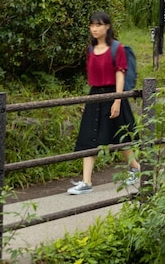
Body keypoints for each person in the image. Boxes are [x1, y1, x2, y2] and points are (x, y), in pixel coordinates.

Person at [68, 12, 141, 195]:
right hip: (95, 96)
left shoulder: (118, 48)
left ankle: (136, 168)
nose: (94, 29)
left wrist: (117, 100)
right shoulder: (90, 49)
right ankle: (86, 182)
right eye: (92, 25)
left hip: (113, 95)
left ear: (107, 26)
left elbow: (120, 74)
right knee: (88, 138)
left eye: (98, 25)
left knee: (120, 138)